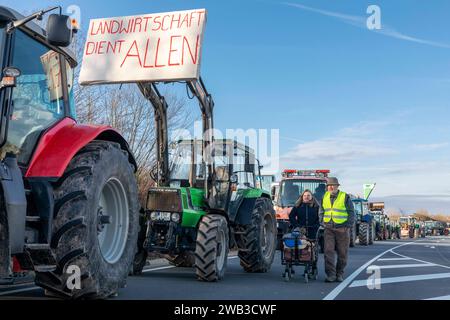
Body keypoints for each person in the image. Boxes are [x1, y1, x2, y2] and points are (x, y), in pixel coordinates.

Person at [319, 177, 355, 283]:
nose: (330, 187)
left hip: (342, 229)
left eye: (333, 185)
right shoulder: (324, 196)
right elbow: (321, 211)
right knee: (328, 252)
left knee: (342, 253)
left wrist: (347, 225)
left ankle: (339, 274)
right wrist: (323, 222)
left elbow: (351, 212)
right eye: (329, 185)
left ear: (337, 186)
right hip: (328, 229)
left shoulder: (344, 196)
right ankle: (331, 275)